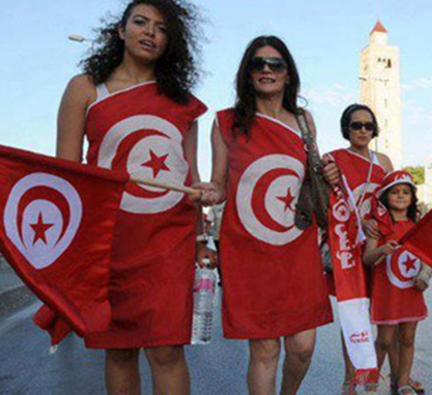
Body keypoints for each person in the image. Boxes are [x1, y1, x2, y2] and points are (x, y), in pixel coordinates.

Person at [55, 1, 212, 394]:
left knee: (167, 351)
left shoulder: (183, 103)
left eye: (161, 28)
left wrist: (199, 239)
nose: (149, 32)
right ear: (120, 31)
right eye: (140, 22)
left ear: (170, 41)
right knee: (119, 350)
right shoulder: (85, 88)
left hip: (168, 241)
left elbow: (189, 178)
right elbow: (65, 175)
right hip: (108, 241)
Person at [195, 35, 338, 395]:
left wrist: (329, 174)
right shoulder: (225, 123)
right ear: (247, 73)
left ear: (288, 74)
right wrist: (210, 191)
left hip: (297, 245)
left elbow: (312, 178)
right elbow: (220, 183)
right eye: (257, 63)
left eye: (275, 64)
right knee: (264, 349)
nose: (266, 70)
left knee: (303, 347)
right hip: (248, 250)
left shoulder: (305, 122)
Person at [325, 104, 392, 395]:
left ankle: (376, 374)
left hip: (379, 244)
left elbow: (395, 198)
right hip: (348, 246)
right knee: (355, 314)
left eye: (368, 125)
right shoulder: (334, 159)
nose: (363, 130)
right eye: (356, 125)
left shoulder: (384, 161)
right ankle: (351, 377)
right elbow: (320, 196)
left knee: (386, 315)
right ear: (346, 129)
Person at [362, 171, 431, 395]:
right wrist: (383, 249)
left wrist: (424, 276)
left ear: (412, 197)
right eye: (394, 192)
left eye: (405, 192)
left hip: (411, 291)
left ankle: (402, 381)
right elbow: (367, 258)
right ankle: (371, 381)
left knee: (408, 338)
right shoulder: (377, 225)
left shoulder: (418, 225)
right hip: (387, 293)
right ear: (385, 197)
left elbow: (428, 256)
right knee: (384, 339)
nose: (400, 196)